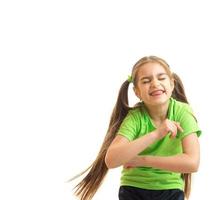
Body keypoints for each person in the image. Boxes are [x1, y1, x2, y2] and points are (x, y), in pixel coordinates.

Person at [71, 56, 202, 200]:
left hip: (170, 189)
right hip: (133, 189)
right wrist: (157, 133)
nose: (155, 84)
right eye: (146, 81)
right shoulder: (135, 117)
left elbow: (192, 163)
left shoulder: (183, 112)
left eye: (161, 78)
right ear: (137, 92)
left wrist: (142, 160)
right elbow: (111, 160)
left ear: (172, 84)